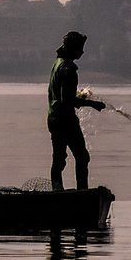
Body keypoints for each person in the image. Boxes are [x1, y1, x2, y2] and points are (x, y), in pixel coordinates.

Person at [47, 31, 105, 191]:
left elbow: (62, 95)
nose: (82, 52)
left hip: (53, 118)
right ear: (73, 48)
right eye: (80, 48)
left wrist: (80, 96)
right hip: (65, 120)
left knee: (59, 159)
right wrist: (93, 104)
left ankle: (56, 190)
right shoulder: (68, 69)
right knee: (82, 157)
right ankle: (82, 192)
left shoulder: (58, 63)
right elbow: (68, 100)